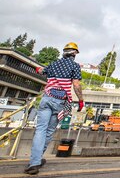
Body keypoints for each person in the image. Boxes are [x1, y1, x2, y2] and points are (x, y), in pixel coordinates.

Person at [24, 42, 84, 175]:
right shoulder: (74, 66)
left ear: (64, 52)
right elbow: (76, 85)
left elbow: (40, 70)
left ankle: (34, 162)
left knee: (40, 130)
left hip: (46, 98)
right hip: (59, 101)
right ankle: (36, 160)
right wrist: (80, 100)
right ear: (74, 54)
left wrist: (36, 67)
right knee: (49, 131)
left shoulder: (53, 64)